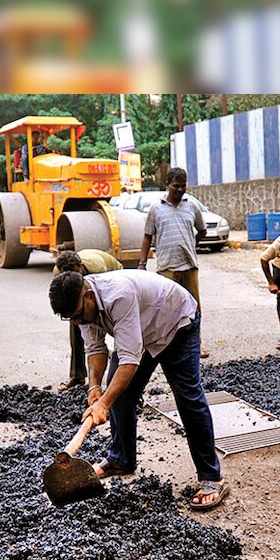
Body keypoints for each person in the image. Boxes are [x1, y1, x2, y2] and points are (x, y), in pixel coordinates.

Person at [49, 267, 228, 511]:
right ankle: (121, 459)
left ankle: (211, 477)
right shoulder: (81, 308)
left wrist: (104, 404)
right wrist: (94, 388)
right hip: (141, 332)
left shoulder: (118, 296)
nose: (78, 321)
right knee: (119, 396)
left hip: (175, 323)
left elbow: (129, 361)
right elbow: (95, 349)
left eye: (79, 315)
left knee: (188, 397)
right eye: (73, 319)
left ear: (88, 295)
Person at [137, 167, 207, 356]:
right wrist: (142, 263)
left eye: (183, 186)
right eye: (176, 185)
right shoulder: (156, 209)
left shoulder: (192, 206)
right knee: (167, 311)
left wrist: (191, 244)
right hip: (166, 268)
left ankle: (196, 345)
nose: (179, 189)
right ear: (167, 184)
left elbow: (202, 230)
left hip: (189, 266)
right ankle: (168, 346)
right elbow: (147, 237)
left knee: (193, 309)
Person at [54, 246, 122, 389]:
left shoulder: (96, 267)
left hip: (112, 279)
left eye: (75, 273)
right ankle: (77, 376)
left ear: (81, 266)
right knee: (76, 329)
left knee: (115, 325)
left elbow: (107, 292)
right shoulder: (58, 273)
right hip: (82, 298)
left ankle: (119, 366)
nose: (72, 278)